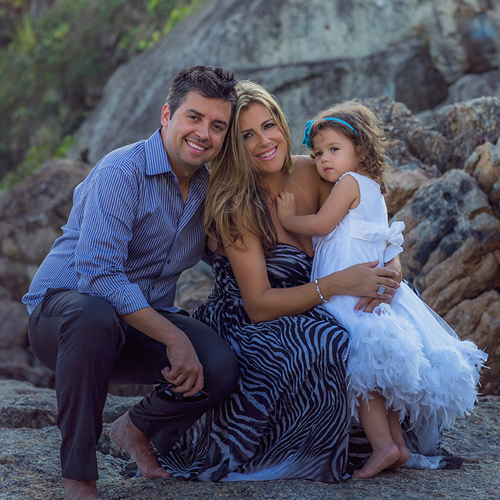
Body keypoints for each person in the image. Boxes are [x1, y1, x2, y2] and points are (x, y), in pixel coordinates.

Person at [151, 81, 409, 482]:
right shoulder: (238, 202)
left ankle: (388, 442)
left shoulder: (317, 169)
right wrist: (339, 283)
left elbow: (370, 222)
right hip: (252, 320)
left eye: (269, 126)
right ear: (234, 146)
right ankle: (322, 450)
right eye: (246, 135)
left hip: (319, 304)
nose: (264, 141)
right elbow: (259, 305)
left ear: (283, 124)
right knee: (329, 342)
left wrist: (390, 270)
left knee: (384, 326)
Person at [22, 66, 240, 500]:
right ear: (166, 115)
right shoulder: (122, 170)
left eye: (218, 126)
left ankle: (136, 429)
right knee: (93, 314)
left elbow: (232, 251)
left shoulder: (207, 189)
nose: (203, 134)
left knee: (220, 364)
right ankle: (79, 477)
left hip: (136, 324)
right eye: (193, 118)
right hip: (65, 318)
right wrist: (174, 338)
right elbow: (99, 275)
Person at [276, 101, 488, 479]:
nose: (323, 159)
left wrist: (288, 216)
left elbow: (323, 225)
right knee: (378, 373)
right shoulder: (374, 190)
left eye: (333, 150)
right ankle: (398, 447)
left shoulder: (349, 183)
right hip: (369, 293)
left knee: (361, 373)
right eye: (318, 152)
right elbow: (390, 247)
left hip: (348, 297)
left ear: (361, 150)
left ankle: (383, 446)